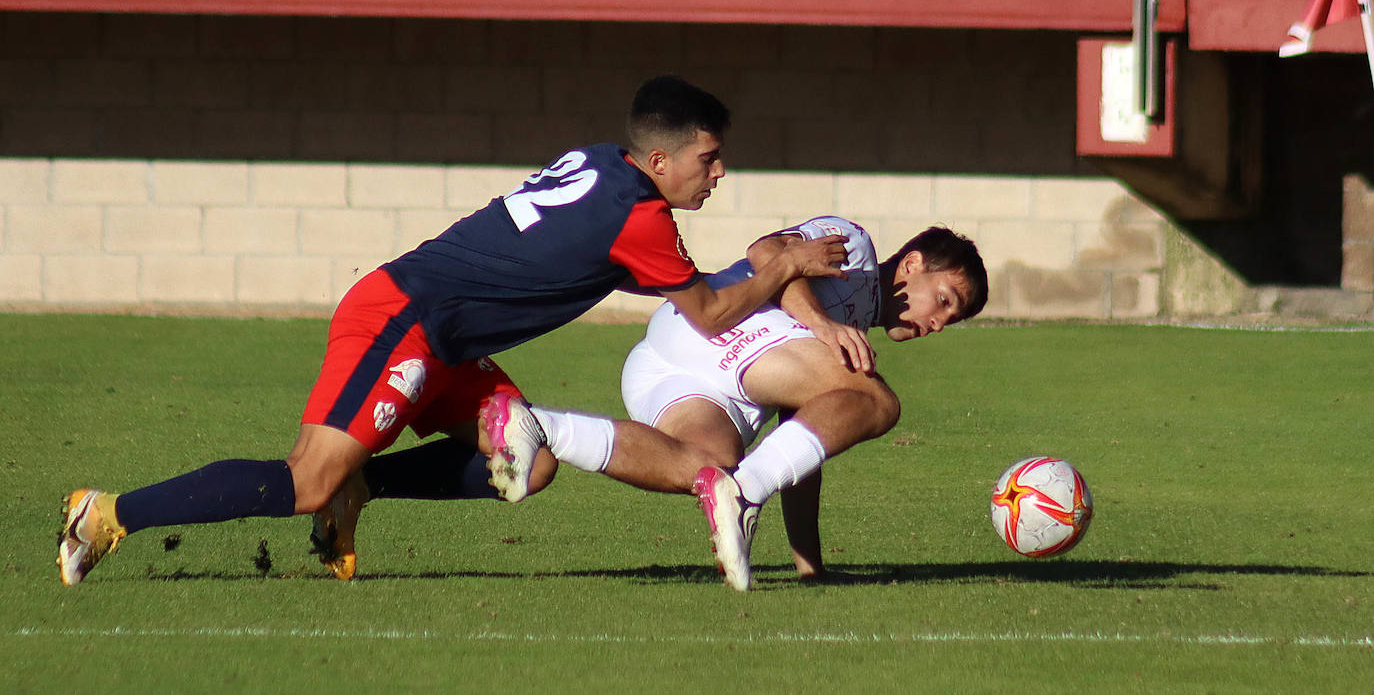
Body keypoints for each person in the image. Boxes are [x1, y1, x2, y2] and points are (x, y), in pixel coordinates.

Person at [57, 75, 849, 585]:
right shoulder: (637, 217)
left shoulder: (603, 164)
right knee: (305, 481)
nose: (718, 174)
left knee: (526, 467)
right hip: (402, 318)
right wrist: (784, 266)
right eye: (709, 160)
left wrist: (774, 267)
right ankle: (108, 512)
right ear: (661, 157)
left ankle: (362, 483)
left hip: (448, 342)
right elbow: (710, 314)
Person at [495, 216, 987, 591]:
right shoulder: (854, 249)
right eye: (944, 300)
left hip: (664, 367)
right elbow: (767, 250)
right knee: (876, 399)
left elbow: (803, 449)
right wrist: (820, 324)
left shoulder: (843, 341)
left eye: (954, 317)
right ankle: (746, 493)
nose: (940, 323)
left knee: (707, 467)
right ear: (912, 264)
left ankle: (541, 427)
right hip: (719, 327)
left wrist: (811, 569)